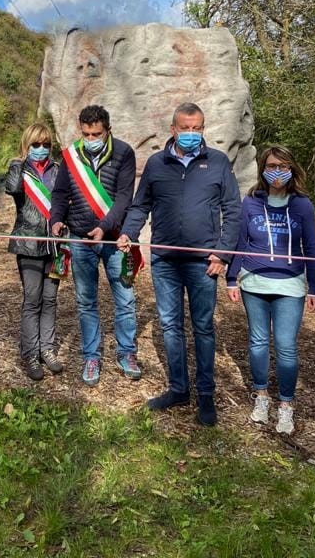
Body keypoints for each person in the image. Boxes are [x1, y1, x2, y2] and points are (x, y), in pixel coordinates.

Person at [118, 103, 241, 426]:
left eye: (197, 128)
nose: (191, 134)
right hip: (165, 262)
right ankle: (178, 389)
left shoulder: (217, 162)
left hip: (204, 262)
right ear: (172, 129)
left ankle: (205, 395)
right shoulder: (157, 164)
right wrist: (128, 233)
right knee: (170, 326)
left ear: (203, 128)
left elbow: (232, 211)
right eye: (185, 128)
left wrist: (222, 253)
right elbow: (140, 205)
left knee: (203, 328)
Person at [226, 145, 315, 435]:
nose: (276, 171)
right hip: (253, 282)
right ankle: (262, 396)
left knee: (286, 347)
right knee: (257, 341)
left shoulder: (302, 204)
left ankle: (286, 405)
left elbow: (312, 247)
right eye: (271, 165)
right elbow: (240, 241)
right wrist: (232, 277)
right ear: (263, 169)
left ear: (291, 168)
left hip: (290, 285)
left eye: (282, 165)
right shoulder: (251, 201)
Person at [50, 104, 140, 387]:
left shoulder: (124, 153)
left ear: (108, 130)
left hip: (113, 238)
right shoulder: (71, 155)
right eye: (86, 134)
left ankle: (127, 353)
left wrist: (105, 226)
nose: (91, 139)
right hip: (79, 238)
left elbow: (125, 197)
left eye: (96, 134)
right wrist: (55, 218)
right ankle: (92, 355)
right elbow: (61, 192)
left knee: (124, 299)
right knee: (86, 301)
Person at [5, 122, 64, 380]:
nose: (41, 149)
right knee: (33, 299)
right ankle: (30, 353)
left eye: (46, 145)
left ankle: (47, 349)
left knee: (50, 299)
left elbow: (63, 202)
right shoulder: (19, 168)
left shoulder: (57, 170)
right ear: (27, 145)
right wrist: (21, 162)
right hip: (28, 243)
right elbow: (13, 189)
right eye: (36, 144)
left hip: (54, 245)